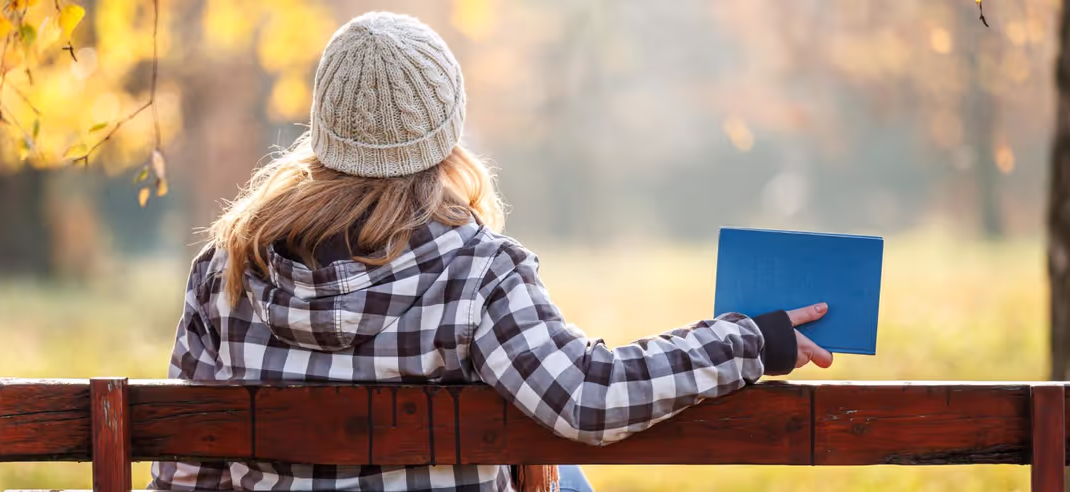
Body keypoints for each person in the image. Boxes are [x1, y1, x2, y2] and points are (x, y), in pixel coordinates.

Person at [149, 11, 834, 492]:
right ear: (445, 138)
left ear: (324, 129)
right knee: (561, 472)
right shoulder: (476, 273)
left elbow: (188, 468)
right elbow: (589, 396)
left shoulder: (227, 271)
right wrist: (750, 341)